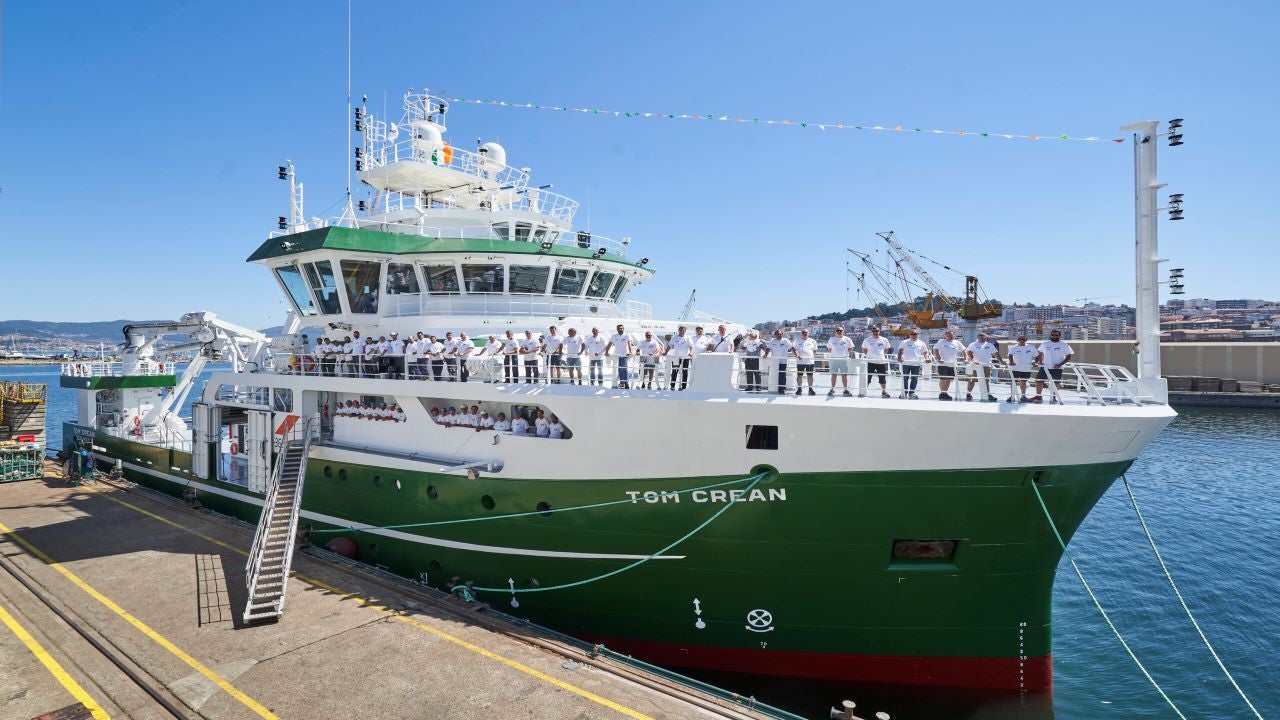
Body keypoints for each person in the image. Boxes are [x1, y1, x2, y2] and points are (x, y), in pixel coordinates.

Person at [1034, 330, 1074, 404]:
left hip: (1057, 367)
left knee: (1056, 383)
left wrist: (1060, 364)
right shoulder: (1045, 343)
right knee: (1038, 381)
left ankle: (1053, 397)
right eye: (1053, 335)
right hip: (1045, 367)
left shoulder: (1064, 344)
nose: (1054, 336)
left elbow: (1069, 356)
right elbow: (1039, 353)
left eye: (1056, 335)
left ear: (1059, 336)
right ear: (1051, 335)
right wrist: (1040, 361)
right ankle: (1038, 396)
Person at [965, 332, 1002, 402]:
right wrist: (971, 360)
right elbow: (968, 352)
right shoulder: (972, 344)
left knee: (986, 381)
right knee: (972, 380)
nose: (982, 339)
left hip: (986, 365)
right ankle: (968, 394)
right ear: (977, 338)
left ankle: (987, 394)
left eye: (984, 337)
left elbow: (996, 354)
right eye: (981, 337)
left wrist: (1001, 361)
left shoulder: (989, 345)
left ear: (986, 338)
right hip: (975, 365)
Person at [932, 330, 965, 401]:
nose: (951, 336)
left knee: (949, 379)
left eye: (952, 335)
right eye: (949, 335)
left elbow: (964, 350)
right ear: (946, 335)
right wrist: (939, 358)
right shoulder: (941, 341)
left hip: (952, 364)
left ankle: (945, 393)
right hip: (942, 364)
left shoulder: (957, 342)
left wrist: (966, 359)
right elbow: (935, 350)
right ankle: (942, 393)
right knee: (943, 379)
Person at [861, 326, 893, 398]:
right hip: (870, 362)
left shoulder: (884, 340)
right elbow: (864, 349)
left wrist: (881, 355)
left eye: (877, 331)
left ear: (879, 331)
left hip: (881, 362)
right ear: (872, 332)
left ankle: (884, 392)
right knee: (867, 377)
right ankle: (864, 391)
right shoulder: (867, 340)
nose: (875, 332)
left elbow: (886, 349)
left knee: (882, 378)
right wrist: (868, 355)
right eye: (874, 331)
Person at [1005, 336, 1039, 402]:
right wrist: (1011, 362)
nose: (1021, 340)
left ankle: (1023, 396)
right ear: (1017, 340)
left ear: (1026, 340)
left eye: (1023, 339)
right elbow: (1010, 355)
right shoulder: (1013, 347)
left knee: (1023, 382)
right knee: (1014, 382)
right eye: (1020, 339)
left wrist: (1036, 362)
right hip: (1015, 368)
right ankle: (1012, 396)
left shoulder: (1031, 347)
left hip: (1026, 369)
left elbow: (1037, 355)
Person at [896, 330, 928, 399]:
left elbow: (925, 352)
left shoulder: (921, 343)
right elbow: (900, 350)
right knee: (905, 378)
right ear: (909, 335)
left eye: (915, 334)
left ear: (917, 335)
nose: (913, 335)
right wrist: (899, 357)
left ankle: (911, 392)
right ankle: (904, 392)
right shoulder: (904, 342)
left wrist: (926, 358)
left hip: (916, 364)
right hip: (906, 363)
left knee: (915, 379)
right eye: (912, 334)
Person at [826, 326, 855, 397]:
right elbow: (829, 349)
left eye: (841, 330)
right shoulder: (831, 339)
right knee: (834, 374)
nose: (839, 331)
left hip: (844, 359)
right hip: (834, 359)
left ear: (843, 331)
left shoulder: (847, 339)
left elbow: (851, 348)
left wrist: (844, 353)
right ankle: (832, 389)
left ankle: (845, 390)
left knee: (844, 375)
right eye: (837, 330)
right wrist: (836, 354)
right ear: (835, 332)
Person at [763, 330, 793, 394]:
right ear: (775, 335)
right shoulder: (772, 341)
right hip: (774, 361)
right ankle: (774, 388)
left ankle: (782, 389)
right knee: (774, 374)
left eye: (780, 334)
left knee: (782, 374)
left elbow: (792, 347)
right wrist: (765, 355)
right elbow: (768, 348)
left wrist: (797, 355)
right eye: (777, 334)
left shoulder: (785, 340)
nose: (779, 335)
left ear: (782, 335)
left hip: (783, 361)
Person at [665, 326, 694, 390]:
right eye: (681, 330)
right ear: (678, 331)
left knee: (685, 372)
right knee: (674, 371)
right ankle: (672, 386)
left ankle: (684, 386)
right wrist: (665, 352)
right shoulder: (674, 337)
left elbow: (691, 346)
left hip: (685, 358)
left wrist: (691, 353)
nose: (682, 332)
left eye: (683, 331)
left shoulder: (688, 337)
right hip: (676, 357)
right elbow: (669, 345)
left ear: (685, 331)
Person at [791, 328, 818, 396]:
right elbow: (793, 349)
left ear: (808, 333)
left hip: (810, 361)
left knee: (810, 375)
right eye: (803, 332)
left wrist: (810, 356)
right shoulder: (797, 340)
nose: (804, 333)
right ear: (801, 333)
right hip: (800, 361)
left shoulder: (812, 341)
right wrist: (797, 355)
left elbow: (815, 350)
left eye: (806, 332)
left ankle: (810, 389)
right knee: (799, 375)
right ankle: (799, 389)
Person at [605, 324, 632, 389]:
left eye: (621, 328)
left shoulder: (627, 335)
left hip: (624, 355)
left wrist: (630, 352)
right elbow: (609, 344)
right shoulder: (614, 336)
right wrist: (606, 352)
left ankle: (626, 382)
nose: (620, 329)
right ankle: (622, 382)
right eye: (619, 328)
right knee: (619, 369)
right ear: (617, 329)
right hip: (616, 355)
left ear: (623, 329)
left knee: (624, 368)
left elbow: (629, 344)